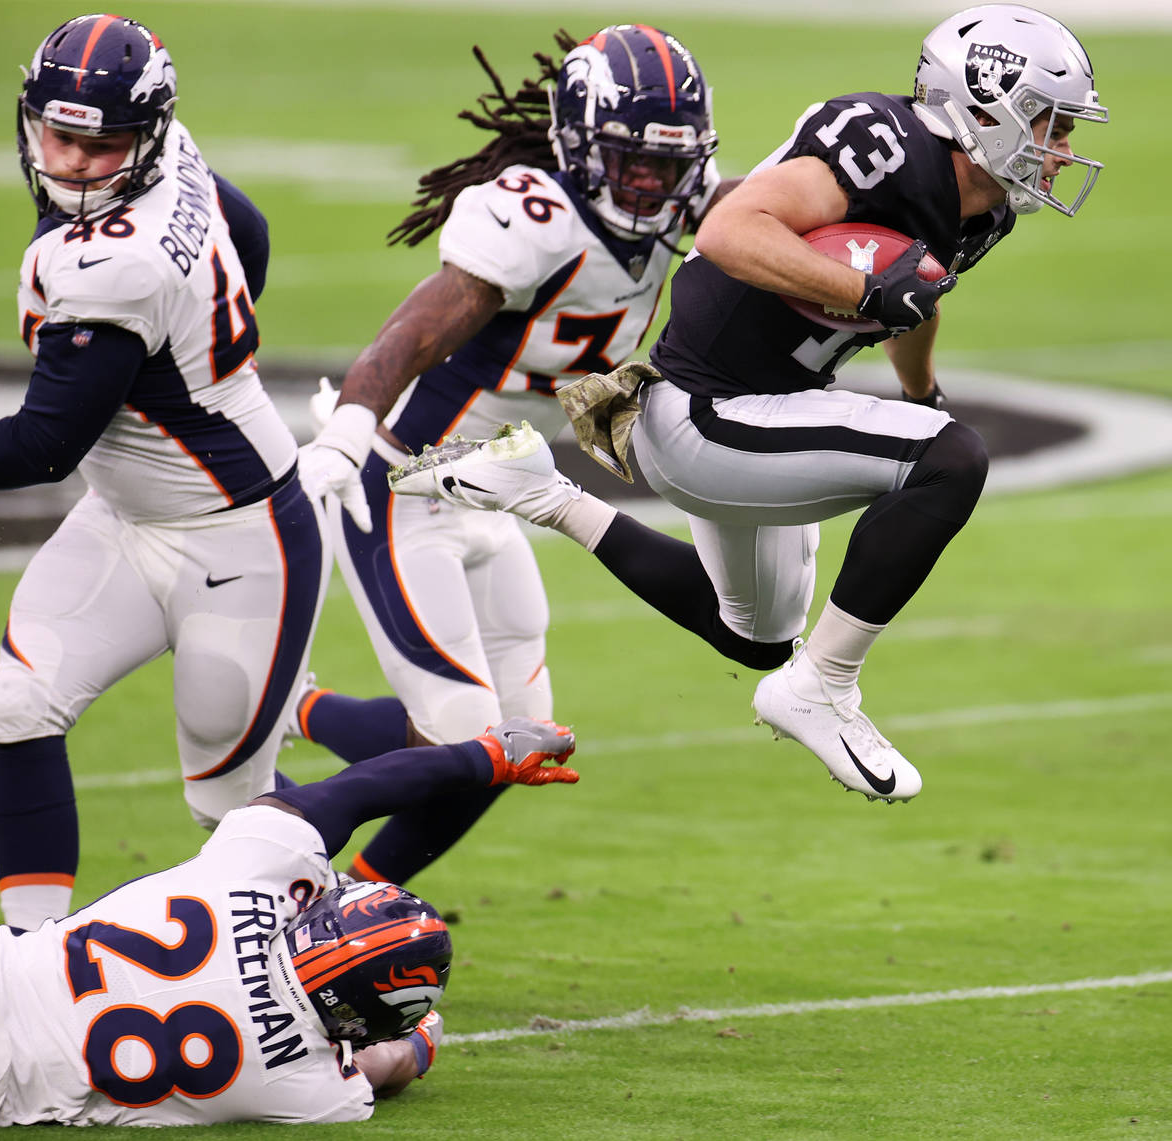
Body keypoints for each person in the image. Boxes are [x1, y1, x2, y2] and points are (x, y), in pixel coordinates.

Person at [387, 5, 1108, 803]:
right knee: (952, 459)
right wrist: (865, 290)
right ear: (982, 109)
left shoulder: (985, 205)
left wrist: (919, 387)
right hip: (708, 413)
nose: (1061, 150)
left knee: (755, 637)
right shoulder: (882, 145)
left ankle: (544, 493)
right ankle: (825, 686)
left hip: (763, 406)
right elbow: (732, 230)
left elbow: (918, 290)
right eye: (1051, 123)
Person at [294, 25, 733, 883]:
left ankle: (345, 850)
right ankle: (323, 901)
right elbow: (418, 331)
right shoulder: (533, 214)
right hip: (405, 485)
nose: (650, 182)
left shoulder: (692, 195)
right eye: (630, 159)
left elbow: (768, 212)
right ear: (577, 141)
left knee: (521, 742)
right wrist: (350, 427)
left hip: (495, 492)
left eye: (667, 164)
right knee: (469, 741)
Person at [0, 15, 330, 931]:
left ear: (149, 131)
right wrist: (204, 337)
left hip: (241, 537)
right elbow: (244, 228)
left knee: (229, 808)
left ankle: (337, 952)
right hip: (127, 516)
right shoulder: (172, 156)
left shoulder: (115, 265)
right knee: (19, 704)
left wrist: (188, 336)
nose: (79, 163)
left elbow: (39, 447)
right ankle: (29, 957)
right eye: (61, 136)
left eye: (105, 145)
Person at [0, 715, 577, 1127]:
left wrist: (486, 756)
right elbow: (389, 1066)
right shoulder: (302, 1085)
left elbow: (352, 792)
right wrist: (422, 1039)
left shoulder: (250, 872)